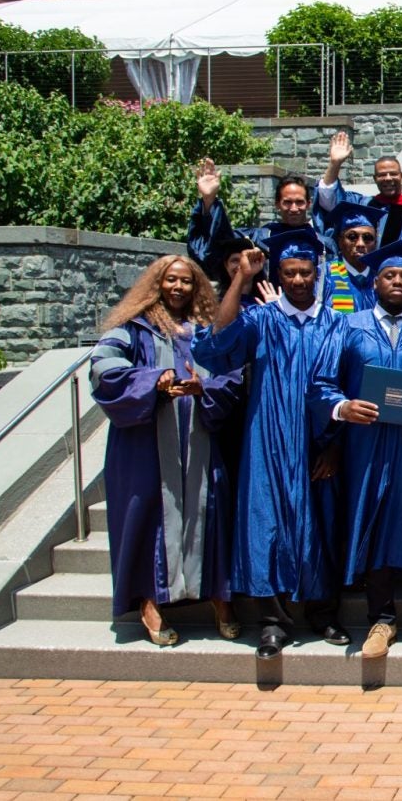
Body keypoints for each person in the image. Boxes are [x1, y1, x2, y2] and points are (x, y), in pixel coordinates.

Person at [194, 230, 345, 659]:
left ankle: (322, 612)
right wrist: (242, 279)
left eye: (305, 272)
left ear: (318, 274)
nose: (298, 280)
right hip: (267, 439)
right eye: (289, 273)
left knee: (322, 526)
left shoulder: (336, 324)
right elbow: (214, 346)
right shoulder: (261, 320)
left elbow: (349, 388)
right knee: (266, 525)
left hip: (320, 443)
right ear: (278, 275)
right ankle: (274, 622)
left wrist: (334, 446)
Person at [308, 240, 402, 659]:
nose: (398, 282)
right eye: (390, 275)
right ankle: (382, 619)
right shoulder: (347, 326)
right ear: (375, 282)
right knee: (371, 520)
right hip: (366, 444)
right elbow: (321, 383)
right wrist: (343, 407)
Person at [91, 255, 242, 646]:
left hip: (201, 441)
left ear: (197, 287)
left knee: (211, 513)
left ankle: (218, 597)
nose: (178, 287)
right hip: (146, 446)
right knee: (146, 518)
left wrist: (203, 389)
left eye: (187, 281)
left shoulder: (207, 332)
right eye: (171, 280)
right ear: (157, 284)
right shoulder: (133, 329)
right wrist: (155, 379)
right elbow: (102, 369)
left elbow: (234, 378)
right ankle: (149, 603)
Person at [188, 166, 322, 266]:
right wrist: (209, 200)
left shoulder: (323, 243)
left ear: (308, 204)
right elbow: (221, 241)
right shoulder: (260, 238)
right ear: (277, 204)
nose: (293, 208)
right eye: (287, 202)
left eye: (299, 202)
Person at [317, 131, 402, 245]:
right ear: (375, 179)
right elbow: (328, 199)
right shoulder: (362, 205)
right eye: (382, 175)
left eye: (393, 173)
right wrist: (335, 163)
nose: (388, 178)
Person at [321, 201, 387, 314]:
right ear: (340, 241)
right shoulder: (323, 275)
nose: (360, 244)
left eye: (367, 238)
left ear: (375, 242)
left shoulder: (383, 277)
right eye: (352, 237)